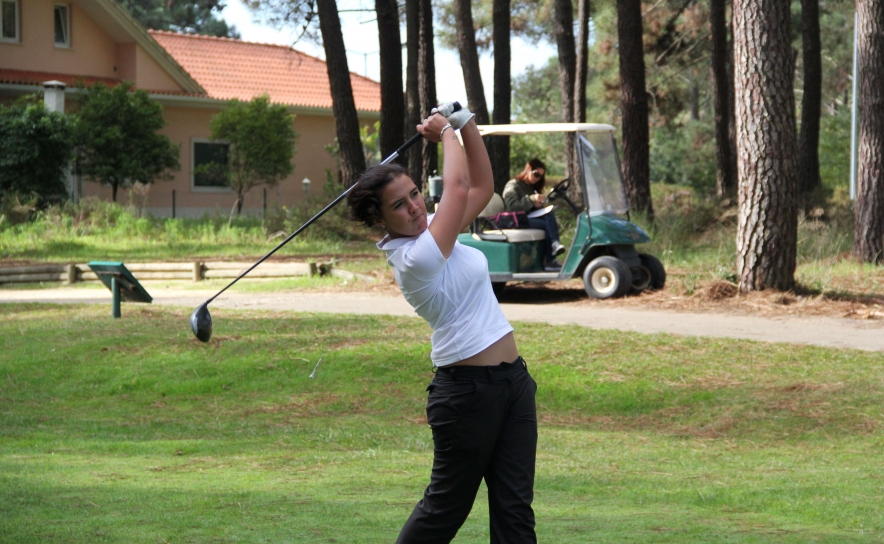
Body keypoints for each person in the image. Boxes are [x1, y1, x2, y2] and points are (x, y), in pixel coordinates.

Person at [346, 103, 538, 544]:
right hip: (467, 394)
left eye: (414, 193)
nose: (414, 207)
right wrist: (446, 133)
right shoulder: (413, 259)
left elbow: (482, 185)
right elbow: (455, 188)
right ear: (379, 219)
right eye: (399, 204)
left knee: (514, 510)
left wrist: (466, 121)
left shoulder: (434, 228)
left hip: (513, 383)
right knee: (445, 509)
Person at [502, 159, 566, 271]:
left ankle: (553, 252)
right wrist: (531, 199)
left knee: (549, 215)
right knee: (546, 225)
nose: (538, 178)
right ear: (528, 170)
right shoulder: (513, 185)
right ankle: (551, 258)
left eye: (540, 176)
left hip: (525, 218)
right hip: (514, 220)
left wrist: (537, 205)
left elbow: (528, 206)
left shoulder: (531, 187)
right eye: (536, 174)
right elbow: (512, 206)